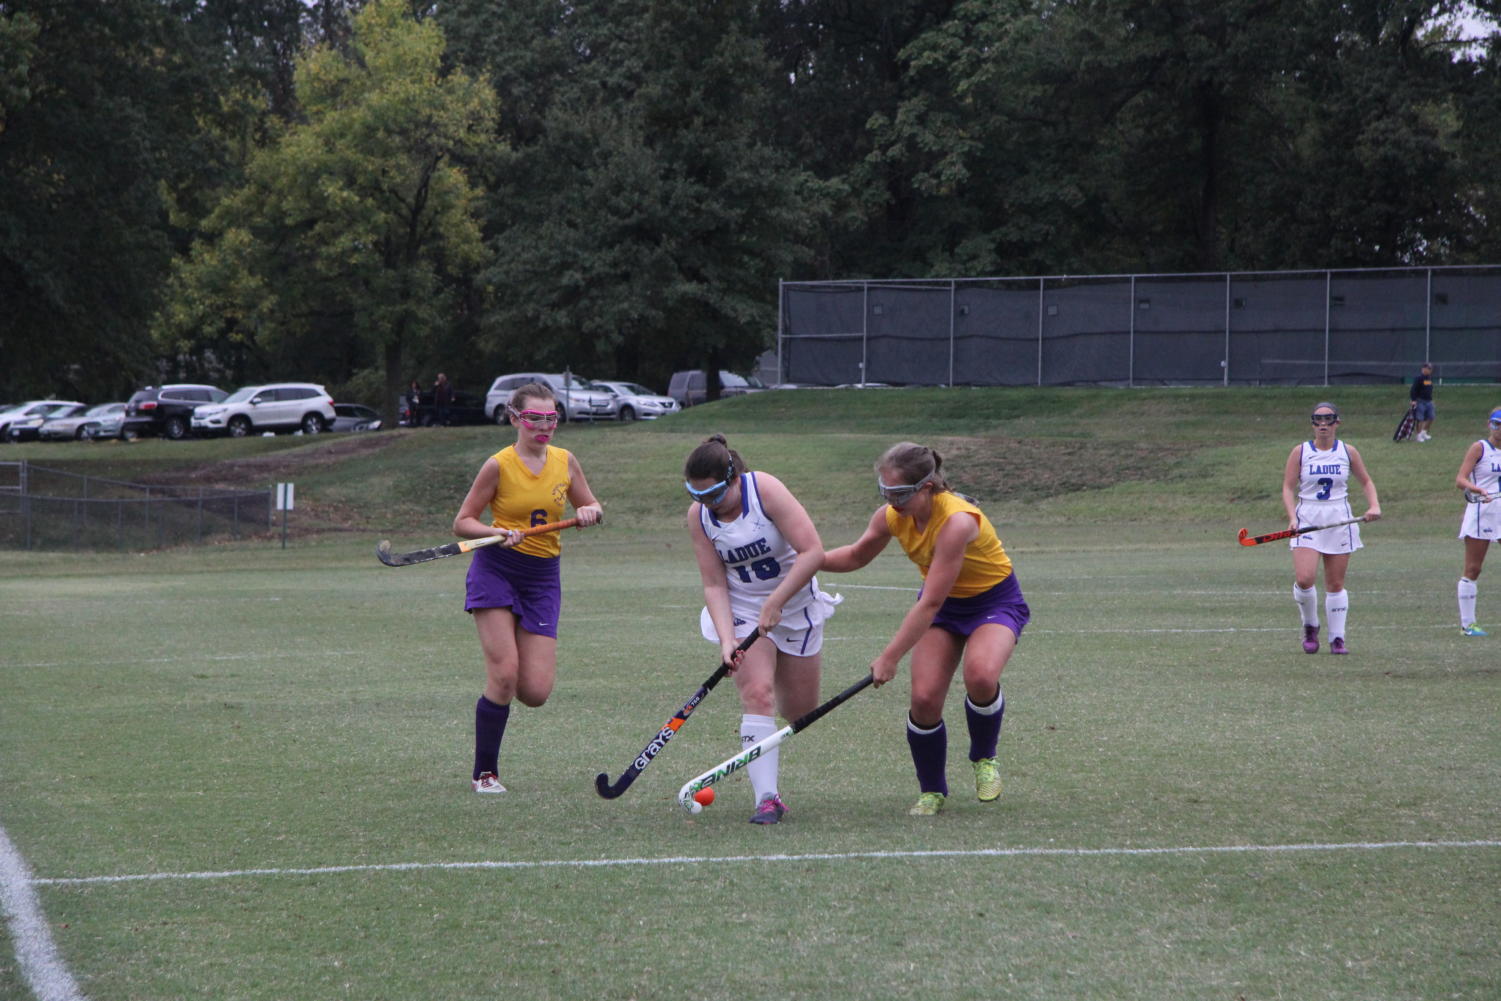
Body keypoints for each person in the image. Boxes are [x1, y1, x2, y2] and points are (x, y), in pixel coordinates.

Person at [822, 442, 1029, 817]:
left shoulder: (958, 521)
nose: (891, 500)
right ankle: (932, 790)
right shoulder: (892, 515)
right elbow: (856, 555)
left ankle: (984, 758)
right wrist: (810, 562)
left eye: (899, 493)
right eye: (884, 491)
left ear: (927, 488)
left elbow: (929, 602)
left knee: (980, 676)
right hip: (945, 609)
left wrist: (889, 657)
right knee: (924, 700)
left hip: (992, 602)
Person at [452, 381, 604, 793]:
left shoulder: (566, 461)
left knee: (534, 691)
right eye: (535, 418)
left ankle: (503, 693)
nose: (545, 425)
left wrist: (590, 511)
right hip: (496, 569)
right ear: (515, 418)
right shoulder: (498, 465)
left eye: (551, 417)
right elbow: (463, 522)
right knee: (504, 675)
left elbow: (590, 504)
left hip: (542, 577)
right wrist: (496, 530)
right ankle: (485, 772)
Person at [685, 434, 839, 824]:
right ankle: (767, 799)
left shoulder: (764, 489)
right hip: (744, 609)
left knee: (800, 712)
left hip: (797, 604)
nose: (708, 503)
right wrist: (727, 639)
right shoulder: (699, 516)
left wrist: (777, 602)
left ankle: (770, 768)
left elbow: (813, 552)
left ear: (734, 477)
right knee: (757, 693)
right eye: (697, 495)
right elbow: (715, 584)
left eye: (715, 494)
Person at [1282, 402, 1381, 656]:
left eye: (1328, 420)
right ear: (1312, 423)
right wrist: (1293, 518)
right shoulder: (1300, 452)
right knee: (1305, 578)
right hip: (1308, 517)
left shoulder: (1348, 452)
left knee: (1335, 583)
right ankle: (1310, 626)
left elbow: (1366, 481)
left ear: (1337, 422)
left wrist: (1373, 506)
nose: (1323, 425)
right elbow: (1288, 488)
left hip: (1339, 518)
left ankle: (1337, 638)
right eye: (1318, 420)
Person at [1453, 406, 1501, 637]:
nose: (1499, 429)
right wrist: (1478, 488)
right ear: (1489, 425)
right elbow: (1460, 479)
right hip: (1483, 510)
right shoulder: (1480, 448)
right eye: (1496, 424)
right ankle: (1467, 624)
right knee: (1473, 568)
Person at [1410, 363, 1436, 442]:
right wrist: (1413, 400)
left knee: (1431, 417)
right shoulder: (1419, 378)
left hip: (1429, 401)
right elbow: (1413, 389)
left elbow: (1429, 389)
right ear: (1423, 369)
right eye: (1426, 368)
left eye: (1429, 369)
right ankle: (1418, 436)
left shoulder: (1429, 378)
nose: (1428, 370)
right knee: (1420, 419)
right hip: (1420, 401)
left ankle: (1424, 433)